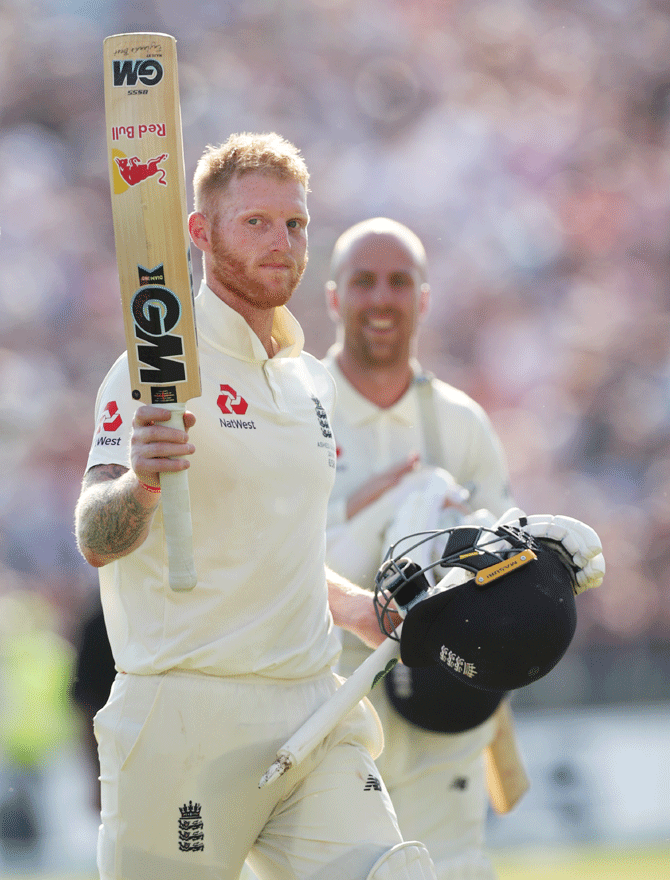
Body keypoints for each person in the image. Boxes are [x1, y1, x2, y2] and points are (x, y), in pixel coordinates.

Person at [74, 134, 438, 880]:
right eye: (257, 223)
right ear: (200, 234)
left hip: (312, 709)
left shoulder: (309, 380)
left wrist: (357, 607)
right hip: (185, 717)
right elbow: (94, 536)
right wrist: (141, 481)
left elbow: (281, 548)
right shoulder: (155, 365)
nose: (283, 242)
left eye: (295, 224)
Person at [321, 217, 523, 880]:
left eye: (400, 282)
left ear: (424, 298)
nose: (382, 298)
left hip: (445, 702)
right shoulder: (296, 409)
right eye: (364, 282)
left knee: (455, 867)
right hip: (334, 709)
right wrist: (369, 506)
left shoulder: (460, 420)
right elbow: (269, 556)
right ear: (334, 297)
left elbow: (508, 553)